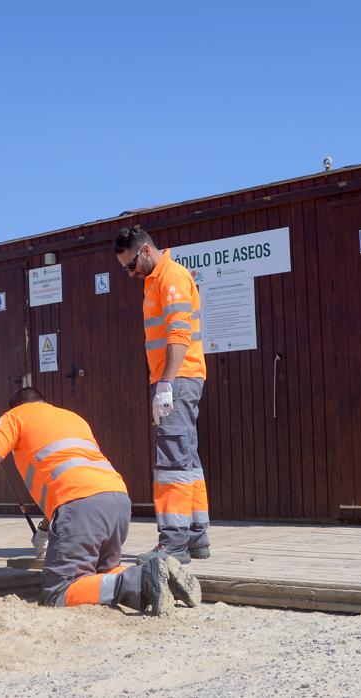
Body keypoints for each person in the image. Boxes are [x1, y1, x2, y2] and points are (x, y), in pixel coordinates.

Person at [0, 386, 200, 614]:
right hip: (116, 499)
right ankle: (161, 576)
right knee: (100, 574)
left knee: (57, 592)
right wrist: (44, 529)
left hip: (79, 506)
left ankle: (140, 580)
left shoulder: (16, 416)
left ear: (16, 406)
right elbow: (70, 475)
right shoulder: (73, 418)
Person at [113, 225, 211, 565]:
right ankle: (196, 538)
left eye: (129, 266)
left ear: (145, 251)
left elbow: (178, 336)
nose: (129, 274)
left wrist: (166, 385)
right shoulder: (155, 281)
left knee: (171, 461)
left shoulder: (170, 279)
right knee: (187, 460)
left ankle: (173, 543)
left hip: (177, 379)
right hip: (178, 378)